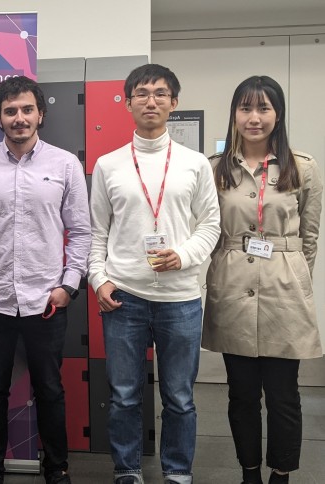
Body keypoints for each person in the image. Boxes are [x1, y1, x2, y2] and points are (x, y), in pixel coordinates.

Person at [0, 75, 91, 484]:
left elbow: (81, 231)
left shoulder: (65, 164)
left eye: (27, 109)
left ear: (40, 114)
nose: (19, 118)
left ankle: (57, 468)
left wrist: (68, 285)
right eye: (10, 111)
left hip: (45, 299)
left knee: (49, 388)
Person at [87, 63, 220, 484]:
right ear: (127, 103)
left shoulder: (195, 164)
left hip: (180, 299)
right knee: (125, 396)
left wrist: (183, 255)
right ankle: (127, 470)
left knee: (179, 397)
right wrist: (98, 279)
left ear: (173, 103)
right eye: (142, 94)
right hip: (124, 297)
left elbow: (210, 225)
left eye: (160, 93)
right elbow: (97, 232)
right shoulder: (108, 165)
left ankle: (178, 471)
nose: (151, 101)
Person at [202, 76, 323, 484]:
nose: (254, 118)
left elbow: (309, 238)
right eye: (245, 108)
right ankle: (249, 473)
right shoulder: (215, 169)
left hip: (284, 290)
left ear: (278, 114)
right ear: (234, 114)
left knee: (284, 394)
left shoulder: (302, 167)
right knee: (241, 395)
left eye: (263, 108)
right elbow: (208, 231)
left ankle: (281, 473)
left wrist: (296, 279)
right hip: (232, 289)